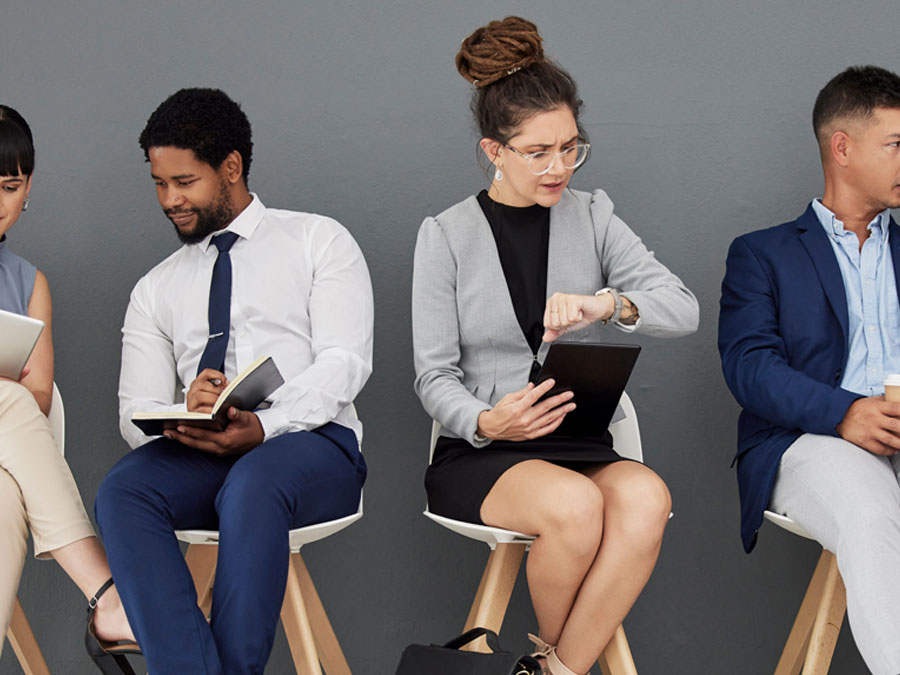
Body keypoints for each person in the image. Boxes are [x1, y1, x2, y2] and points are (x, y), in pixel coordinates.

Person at [412, 17, 699, 675]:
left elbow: (682, 308)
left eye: (571, 147)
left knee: (648, 497)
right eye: (538, 151)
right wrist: (487, 419)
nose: (559, 166)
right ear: (495, 150)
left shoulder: (592, 214)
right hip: (483, 449)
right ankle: (559, 659)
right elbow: (432, 377)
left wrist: (609, 303)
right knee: (576, 507)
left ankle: (549, 669)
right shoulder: (446, 235)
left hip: (579, 443)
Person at [93, 88, 372, 674]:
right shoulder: (156, 287)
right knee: (123, 490)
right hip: (204, 451)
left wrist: (265, 426)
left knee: (253, 483)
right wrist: (179, 411)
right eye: (159, 184)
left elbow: (345, 362)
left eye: (185, 182)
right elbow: (133, 410)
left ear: (232, 168)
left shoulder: (318, 241)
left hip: (313, 448)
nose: (170, 199)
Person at [719, 65, 900, 675]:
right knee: (870, 511)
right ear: (842, 148)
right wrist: (844, 412)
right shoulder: (763, 253)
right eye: (897, 145)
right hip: (807, 440)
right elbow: (749, 366)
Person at [0, 105, 135, 670]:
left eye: (8, 185)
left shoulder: (29, 283)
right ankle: (107, 593)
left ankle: (108, 600)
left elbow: (38, 401)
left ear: (28, 186)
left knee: (2, 497)